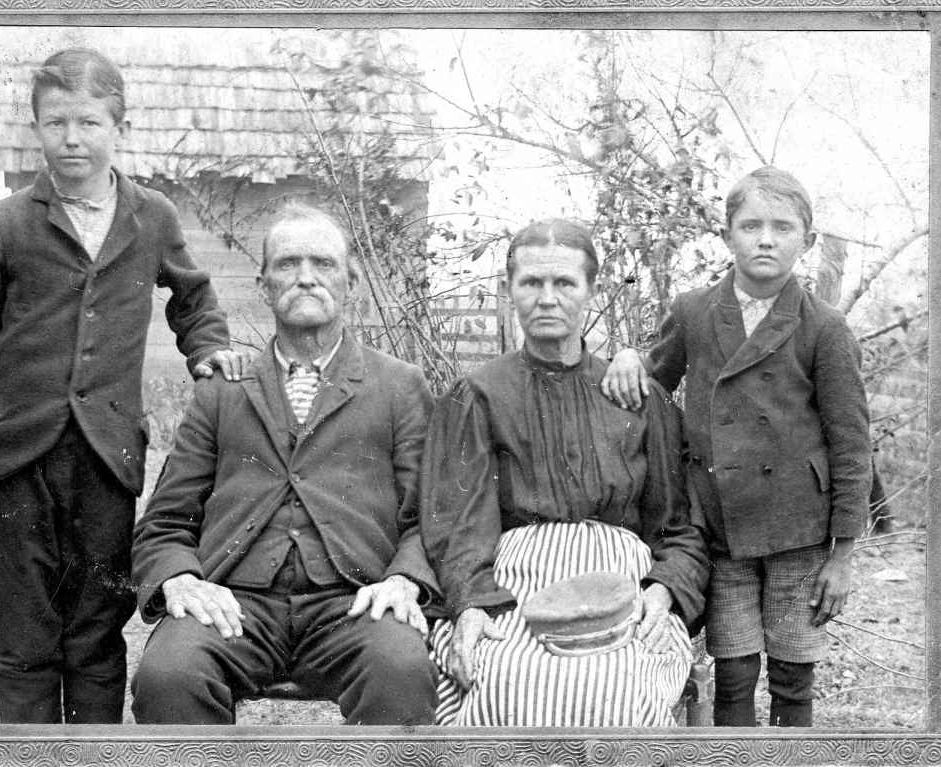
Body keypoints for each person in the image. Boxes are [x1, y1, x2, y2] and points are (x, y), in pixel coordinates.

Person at [0, 48, 244, 724]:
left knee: (97, 635)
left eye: (89, 123)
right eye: (55, 123)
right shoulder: (4, 224)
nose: (71, 138)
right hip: (12, 464)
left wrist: (209, 349)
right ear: (36, 129)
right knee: (24, 640)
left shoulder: (152, 216)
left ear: (119, 129)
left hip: (106, 460)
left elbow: (193, 298)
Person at [130, 201, 439, 725]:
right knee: (169, 674)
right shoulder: (223, 390)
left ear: (351, 283)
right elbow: (165, 521)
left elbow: (429, 517)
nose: (306, 277)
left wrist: (404, 580)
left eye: (323, 264)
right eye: (288, 264)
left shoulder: (399, 386)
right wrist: (180, 579)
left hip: (355, 603)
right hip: (235, 603)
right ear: (264, 285)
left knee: (401, 669)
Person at [600, 167, 872, 727]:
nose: (765, 240)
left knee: (793, 672)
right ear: (727, 236)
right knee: (734, 669)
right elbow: (653, 376)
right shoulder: (695, 310)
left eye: (782, 227)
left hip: (800, 528)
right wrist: (627, 357)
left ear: (807, 241)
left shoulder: (824, 327)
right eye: (751, 226)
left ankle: (793, 760)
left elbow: (851, 444)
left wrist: (843, 556)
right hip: (720, 524)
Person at [420, 218, 709, 727]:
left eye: (565, 283)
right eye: (532, 282)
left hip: (623, 588)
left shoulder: (637, 397)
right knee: (504, 683)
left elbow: (678, 525)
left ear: (591, 291)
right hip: (509, 592)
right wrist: (470, 604)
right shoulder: (478, 396)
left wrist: (664, 590)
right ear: (510, 289)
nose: (547, 298)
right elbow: (458, 527)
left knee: (618, 688)